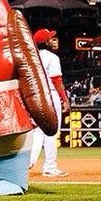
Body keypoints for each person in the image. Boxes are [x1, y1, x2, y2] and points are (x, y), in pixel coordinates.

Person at [29, 29, 70, 177]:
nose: (54, 40)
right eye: (51, 38)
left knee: (39, 132)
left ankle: (29, 161)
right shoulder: (52, 57)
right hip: (51, 96)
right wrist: (64, 99)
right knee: (52, 132)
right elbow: (56, 80)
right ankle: (50, 167)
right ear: (45, 42)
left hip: (36, 97)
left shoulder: (31, 57)